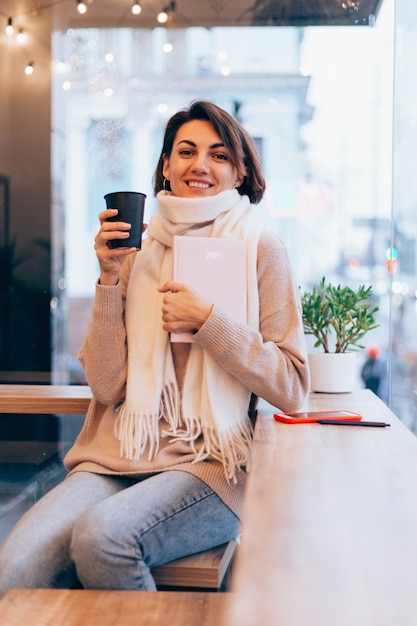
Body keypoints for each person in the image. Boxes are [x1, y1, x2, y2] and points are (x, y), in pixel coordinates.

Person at [0, 100, 309, 594]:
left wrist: (211, 322)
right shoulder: (135, 250)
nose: (200, 165)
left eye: (219, 155)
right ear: (166, 166)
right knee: (13, 568)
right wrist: (108, 278)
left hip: (208, 466)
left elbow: (292, 387)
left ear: (240, 171)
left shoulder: (261, 248)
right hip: (114, 458)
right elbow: (105, 383)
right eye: (186, 151)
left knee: (103, 538)